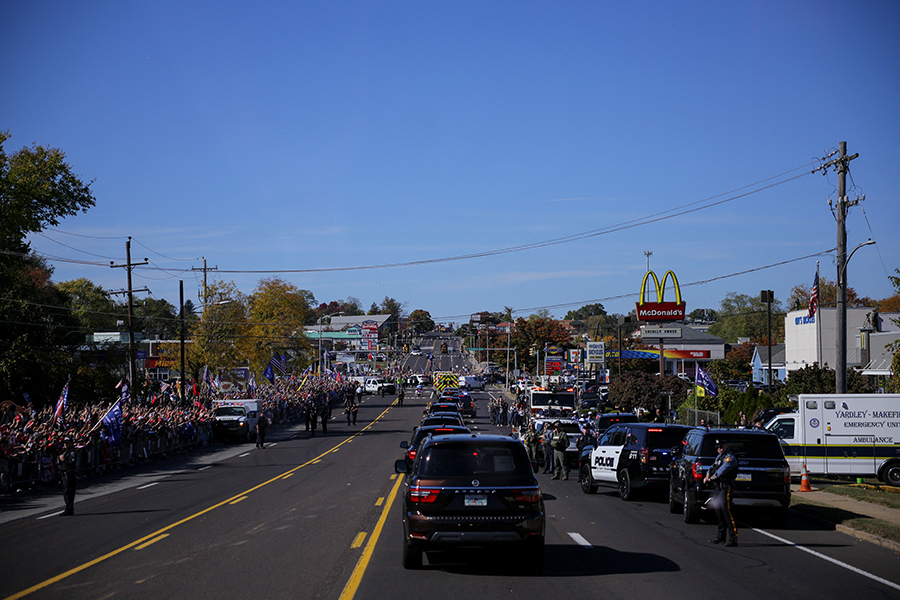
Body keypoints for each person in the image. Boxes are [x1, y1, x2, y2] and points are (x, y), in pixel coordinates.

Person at [703, 439, 739, 546]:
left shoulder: (730, 458)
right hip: (718, 487)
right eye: (717, 447)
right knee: (718, 511)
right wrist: (707, 475)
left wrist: (711, 478)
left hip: (725, 487)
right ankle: (721, 536)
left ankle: (733, 538)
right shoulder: (719, 457)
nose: (719, 449)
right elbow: (712, 468)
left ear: (726, 445)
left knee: (726, 511)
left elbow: (721, 471)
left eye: (721, 446)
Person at [59, 438, 77, 516]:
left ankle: (69, 508)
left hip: (69, 473)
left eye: (67, 443)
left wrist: (64, 460)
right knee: (67, 491)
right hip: (64, 473)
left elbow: (71, 462)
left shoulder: (72, 452)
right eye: (64, 443)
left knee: (68, 491)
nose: (65, 445)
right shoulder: (65, 451)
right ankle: (69, 507)